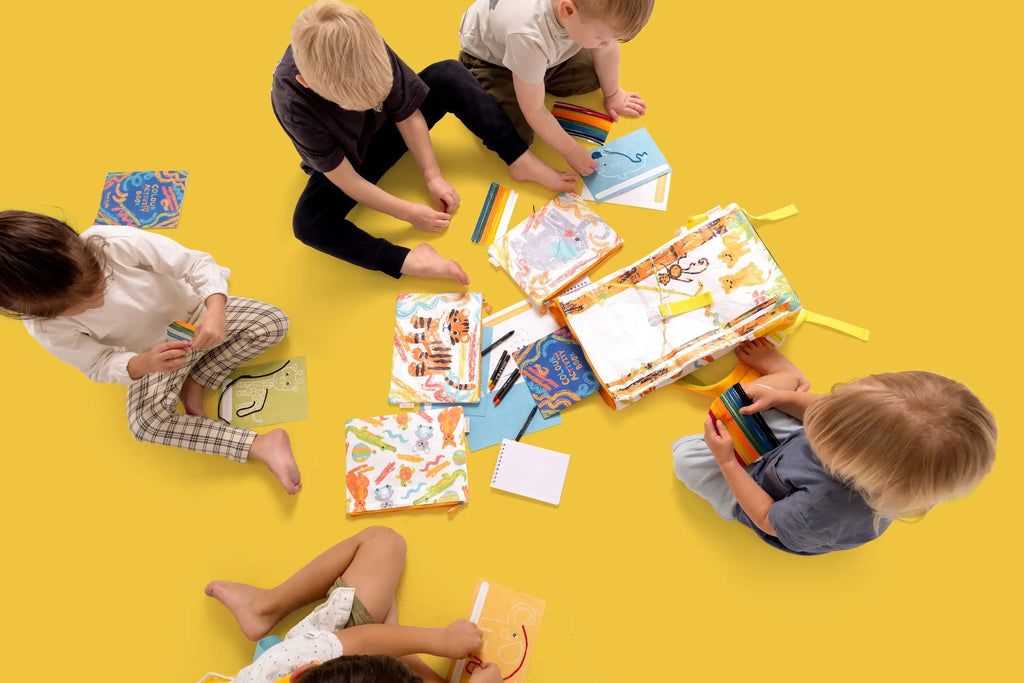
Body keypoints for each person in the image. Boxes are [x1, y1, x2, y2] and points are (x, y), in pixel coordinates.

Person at [273, 1, 578, 285]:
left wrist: (432, 174)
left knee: (447, 73)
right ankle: (408, 261)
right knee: (308, 224)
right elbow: (346, 179)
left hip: (391, 129)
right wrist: (407, 212)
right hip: (348, 162)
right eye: (356, 105)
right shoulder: (293, 103)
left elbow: (406, 113)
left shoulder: (363, 46)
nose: (372, 106)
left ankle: (518, 157)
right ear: (308, 84)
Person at [0, 210, 301, 495]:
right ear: (42, 312)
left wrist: (215, 308)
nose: (98, 302)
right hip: (153, 357)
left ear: (82, 248)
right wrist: (142, 363)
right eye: (80, 306)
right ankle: (257, 445)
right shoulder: (45, 326)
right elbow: (97, 365)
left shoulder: (112, 243)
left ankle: (197, 378)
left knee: (273, 323)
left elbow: (195, 264)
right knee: (145, 425)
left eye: (99, 284)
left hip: (195, 314)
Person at [672, 339, 997, 555]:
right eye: (832, 411)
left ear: (843, 457)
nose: (821, 411)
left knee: (685, 457)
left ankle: (784, 387)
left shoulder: (822, 512)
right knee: (764, 397)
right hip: (790, 453)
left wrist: (728, 463)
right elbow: (821, 411)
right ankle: (787, 378)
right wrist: (783, 397)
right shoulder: (875, 447)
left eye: (828, 419)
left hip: (766, 499)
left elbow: (766, 515)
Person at [206, 527, 502, 683]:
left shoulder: (288, 660)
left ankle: (265, 607)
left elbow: (362, 640)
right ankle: (397, 651)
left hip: (306, 657)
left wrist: (441, 641)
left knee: (384, 544)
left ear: (302, 673)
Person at [458, 0, 654, 175]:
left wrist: (613, 94)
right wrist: (571, 150)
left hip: (540, 56)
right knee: (516, 134)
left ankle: (534, 77)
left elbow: (607, 50)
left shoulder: (580, 16)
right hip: (491, 60)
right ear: (568, 10)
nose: (606, 44)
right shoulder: (529, 36)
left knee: (595, 75)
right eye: (601, 37)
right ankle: (468, 80)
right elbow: (534, 110)